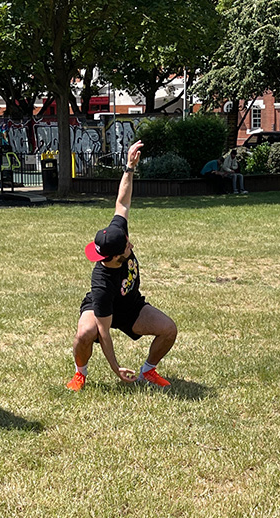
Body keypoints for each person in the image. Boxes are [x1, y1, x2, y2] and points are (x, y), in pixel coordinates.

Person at [68, 140, 178, 391]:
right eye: (126, 247)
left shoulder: (116, 234)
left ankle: (148, 371)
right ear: (114, 258)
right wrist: (116, 369)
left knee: (169, 329)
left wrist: (129, 167)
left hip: (130, 305)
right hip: (102, 309)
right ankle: (80, 373)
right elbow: (104, 333)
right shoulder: (102, 285)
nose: (130, 245)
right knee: (84, 335)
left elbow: (122, 202)